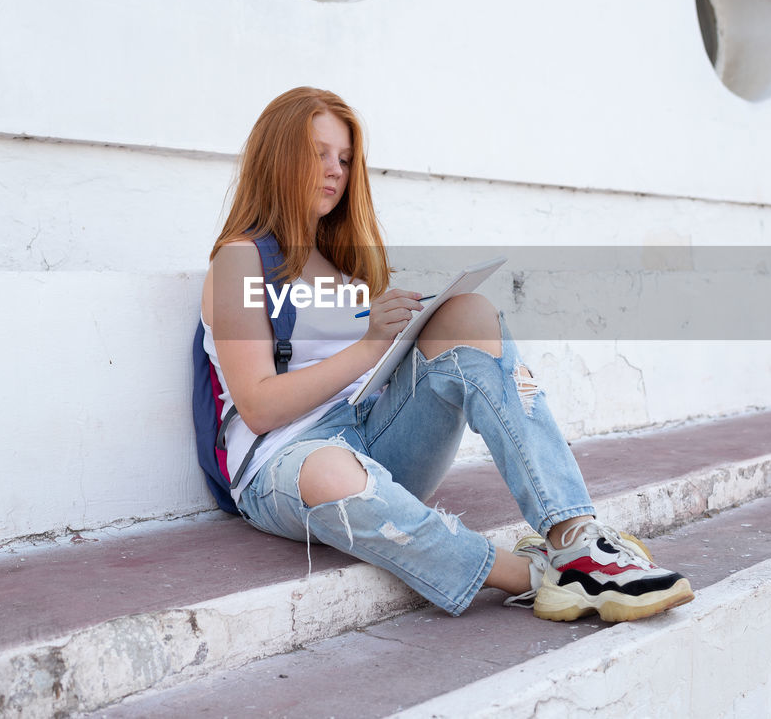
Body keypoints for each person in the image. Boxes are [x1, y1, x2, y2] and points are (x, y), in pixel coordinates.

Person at [200, 87, 694, 621]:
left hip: (371, 434)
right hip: (288, 463)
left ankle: (574, 538)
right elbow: (258, 406)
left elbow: (366, 374)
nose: (335, 171)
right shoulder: (241, 260)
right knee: (333, 474)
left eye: (344, 159)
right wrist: (370, 347)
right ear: (278, 156)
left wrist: (402, 336)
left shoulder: (344, 262)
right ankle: (536, 577)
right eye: (318, 153)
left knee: (468, 313)